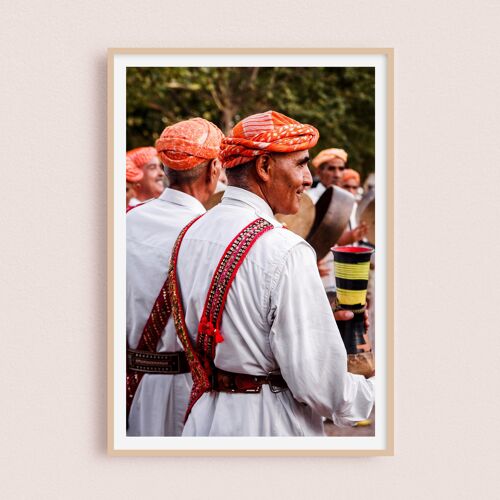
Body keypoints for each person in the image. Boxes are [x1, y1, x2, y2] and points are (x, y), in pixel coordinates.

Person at [171, 111, 374, 436]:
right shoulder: (285, 249)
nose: (308, 179)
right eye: (300, 164)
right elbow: (319, 384)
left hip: (203, 421)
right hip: (268, 424)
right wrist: (372, 393)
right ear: (264, 167)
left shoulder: (188, 235)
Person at [126, 118, 224, 436]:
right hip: (186, 390)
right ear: (214, 170)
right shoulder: (212, 235)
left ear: (166, 170)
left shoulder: (124, 221)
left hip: (123, 384)